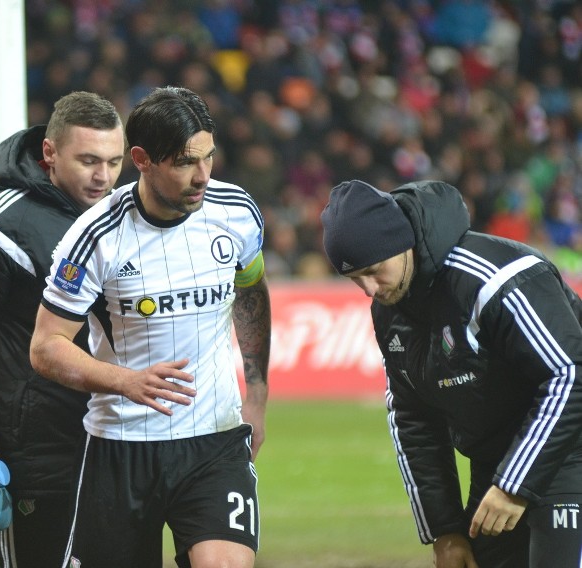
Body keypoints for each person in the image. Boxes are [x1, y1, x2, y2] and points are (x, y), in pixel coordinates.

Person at [29, 86, 271, 568]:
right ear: (141, 159)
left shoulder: (236, 212)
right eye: (184, 162)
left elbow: (250, 292)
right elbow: (46, 347)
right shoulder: (95, 236)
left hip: (215, 439)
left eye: (208, 157)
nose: (202, 176)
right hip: (121, 447)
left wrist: (257, 395)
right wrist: (127, 382)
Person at [320, 179, 582, 568]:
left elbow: (570, 375)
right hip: (497, 469)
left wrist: (514, 485)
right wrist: (445, 530)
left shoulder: (496, 278)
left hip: (568, 455)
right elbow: (414, 418)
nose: (368, 290)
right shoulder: (390, 310)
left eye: (374, 271)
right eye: (354, 278)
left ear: (401, 242)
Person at [0, 91, 125, 567]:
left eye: (114, 162)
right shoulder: (0, 223)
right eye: (89, 160)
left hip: (121, 447)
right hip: (40, 457)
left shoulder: (120, 215)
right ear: (49, 153)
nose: (103, 176)